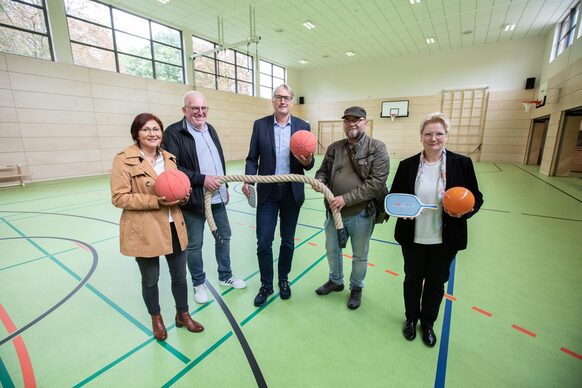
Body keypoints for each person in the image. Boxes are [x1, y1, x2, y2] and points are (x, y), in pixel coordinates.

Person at [390, 112, 483, 347]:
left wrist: (464, 212)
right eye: (428, 134)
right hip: (414, 236)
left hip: (445, 239)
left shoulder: (462, 163)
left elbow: (476, 198)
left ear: (446, 136)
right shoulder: (407, 165)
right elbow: (395, 197)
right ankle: (411, 319)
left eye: (439, 134)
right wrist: (402, 210)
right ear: (421, 137)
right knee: (412, 280)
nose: (434, 138)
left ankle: (428, 323)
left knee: (435, 283)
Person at [110, 112, 204, 341]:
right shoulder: (124, 159)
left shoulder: (170, 159)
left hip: (173, 225)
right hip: (145, 229)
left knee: (180, 277)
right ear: (136, 133)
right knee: (150, 279)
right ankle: (157, 318)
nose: (152, 134)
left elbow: (174, 189)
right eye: (146, 129)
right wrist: (155, 201)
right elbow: (119, 197)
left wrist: (182, 196)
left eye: (156, 129)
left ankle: (183, 314)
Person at [162, 91, 246, 305]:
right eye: (194, 108)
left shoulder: (211, 129)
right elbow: (173, 168)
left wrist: (224, 186)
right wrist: (201, 179)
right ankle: (198, 283)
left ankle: (225, 275)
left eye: (203, 108)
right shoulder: (173, 133)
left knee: (224, 236)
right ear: (185, 110)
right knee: (194, 245)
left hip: (217, 198)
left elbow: (218, 160)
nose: (200, 112)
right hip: (193, 200)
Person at [242, 84, 315, 307]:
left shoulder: (303, 126)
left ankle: (283, 280)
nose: (282, 101)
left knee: (288, 241)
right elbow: (252, 157)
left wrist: (306, 160)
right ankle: (266, 284)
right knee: (264, 240)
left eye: (286, 98)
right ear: (273, 101)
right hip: (268, 191)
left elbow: (309, 163)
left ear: (292, 101)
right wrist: (248, 179)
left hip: (292, 191)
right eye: (278, 97)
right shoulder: (260, 125)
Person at [313, 106, 390, 310]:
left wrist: (345, 199)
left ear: (365, 122)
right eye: (348, 120)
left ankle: (356, 288)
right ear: (344, 123)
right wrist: (319, 181)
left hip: (361, 214)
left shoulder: (377, 148)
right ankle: (336, 281)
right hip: (334, 213)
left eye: (357, 119)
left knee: (359, 255)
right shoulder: (334, 148)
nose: (352, 123)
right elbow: (322, 171)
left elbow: (377, 183)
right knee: (332, 249)